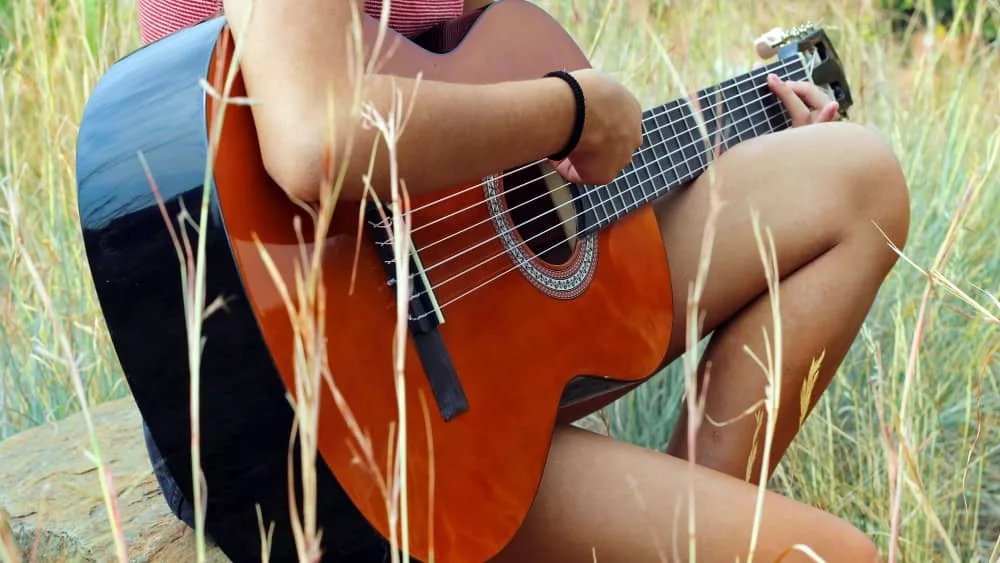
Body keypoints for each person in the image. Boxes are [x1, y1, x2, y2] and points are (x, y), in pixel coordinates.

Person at [134, 0, 910, 561]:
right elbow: (315, 138)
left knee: (858, 178)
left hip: (477, 315)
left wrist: (712, 136)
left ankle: (682, 524)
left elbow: (482, 155)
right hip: (343, 412)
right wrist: (570, 112)